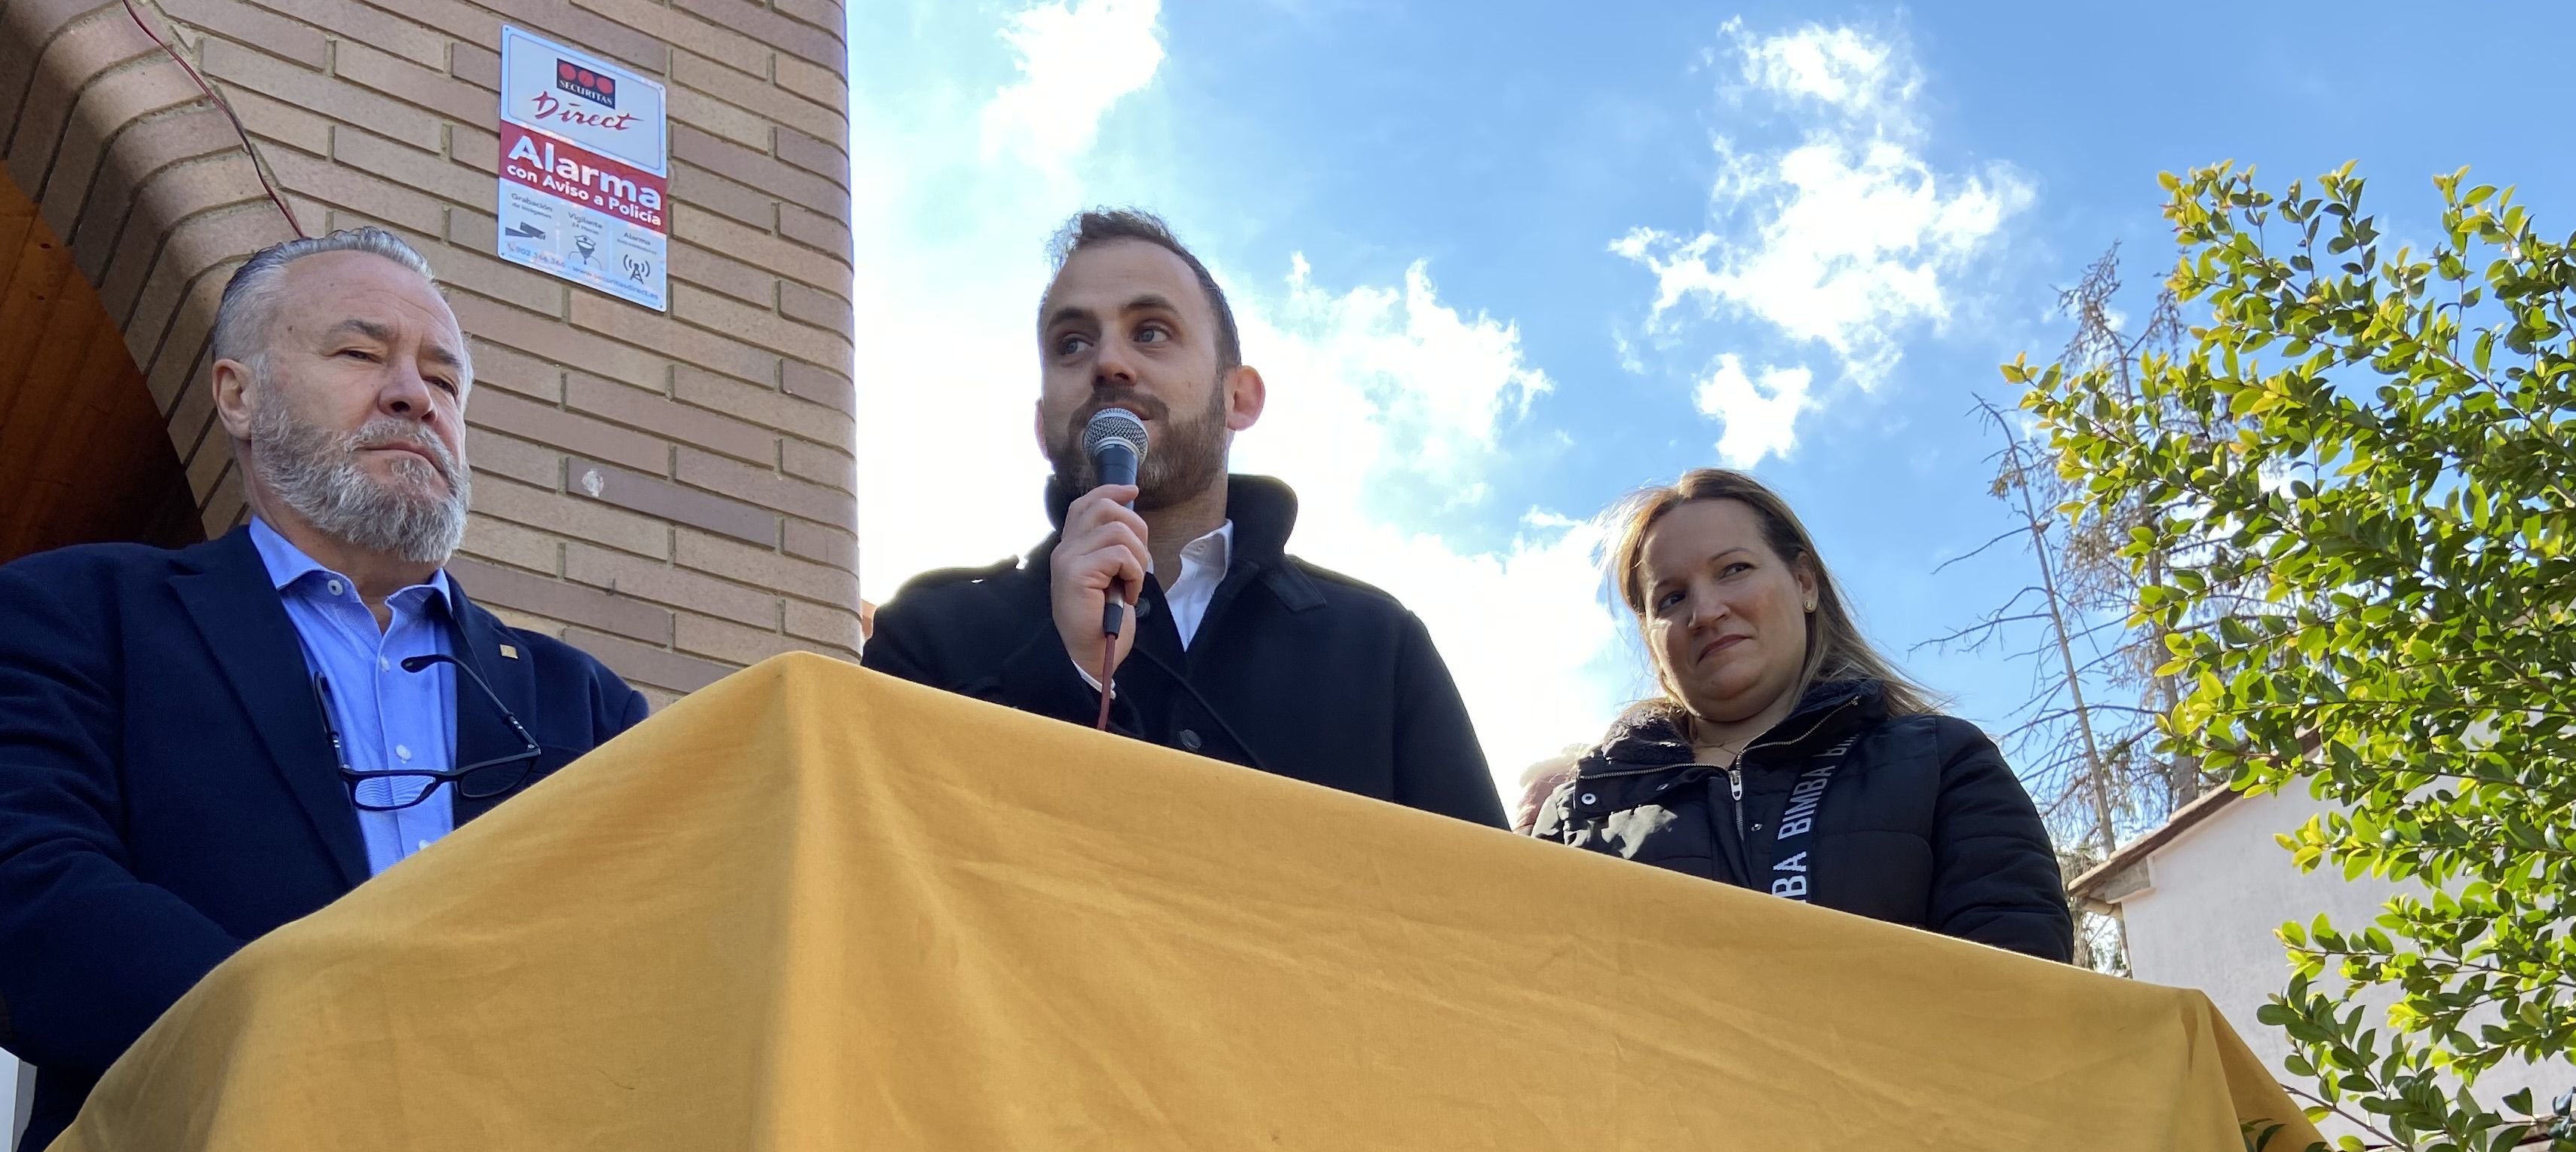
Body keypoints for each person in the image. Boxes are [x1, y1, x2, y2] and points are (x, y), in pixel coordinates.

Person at [0, 227, 647, 1152]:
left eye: (445, 379)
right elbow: (6, 881)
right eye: (359, 352)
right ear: (240, 394)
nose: (414, 395)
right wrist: (324, 1041)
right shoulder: (83, 614)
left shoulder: (584, 708)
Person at [864, 209, 1505, 829]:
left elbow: (1495, 910)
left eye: (1150, 332)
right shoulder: (929, 638)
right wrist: (1070, 675)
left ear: (1239, 397)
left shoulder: (1377, 646)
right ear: (1042, 423)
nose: (1109, 364)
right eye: (1072, 343)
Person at [1533, 468, 2071, 960]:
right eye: (1670, 599)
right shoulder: (1579, 815)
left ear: (1805, 582)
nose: (1706, 611)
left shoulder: (1939, 762)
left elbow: (2023, 998)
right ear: (1651, 637)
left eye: (1733, 569)